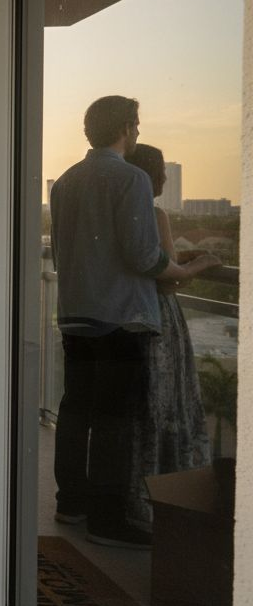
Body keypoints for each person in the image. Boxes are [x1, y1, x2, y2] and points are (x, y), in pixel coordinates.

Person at [50, 96, 219, 549]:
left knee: (76, 411)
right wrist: (185, 269)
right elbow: (144, 255)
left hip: (74, 313)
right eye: (137, 124)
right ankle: (107, 522)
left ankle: (71, 503)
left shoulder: (65, 181)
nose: (139, 131)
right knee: (114, 422)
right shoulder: (131, 178)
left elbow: (64, 253)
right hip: (120, 317)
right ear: (126, 127)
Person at [123, 143, 216, 526]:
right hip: (158, 320)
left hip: (127, 317)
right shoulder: (155, 214)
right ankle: (166, 492)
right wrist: (201, 265)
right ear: (147, 175)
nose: (164, 177)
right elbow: (166, 282)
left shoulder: (122, 212)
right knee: (164, 403)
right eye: (160, 170)